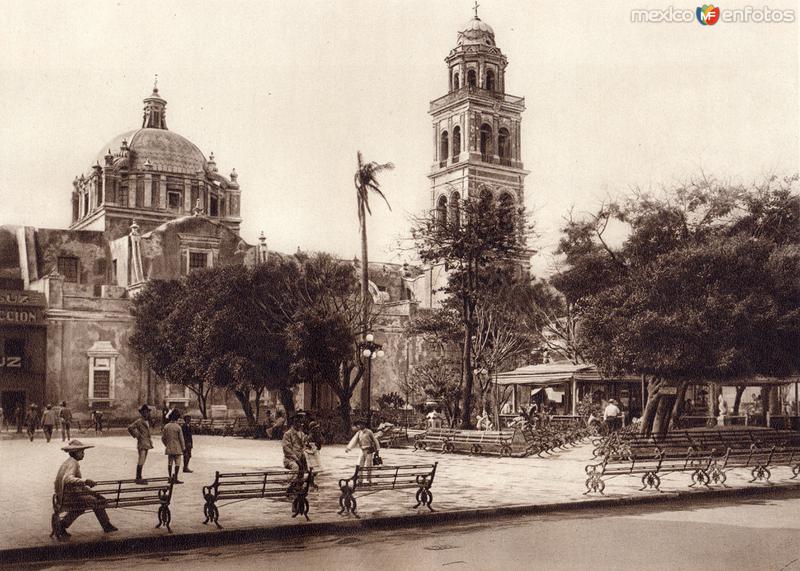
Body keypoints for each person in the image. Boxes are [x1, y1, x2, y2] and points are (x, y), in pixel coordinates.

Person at [53, 439, 117, 540]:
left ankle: (62, 525)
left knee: (82, 506)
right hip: (68, 497)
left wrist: (92, 492)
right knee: (96, 502)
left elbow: (76, 484)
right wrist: (86, 480)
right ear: (75, 452)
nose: (83, 454)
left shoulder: (68, 462)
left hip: (63, 495)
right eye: (81, 452)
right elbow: (68, 478)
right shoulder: (73, 463)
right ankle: (106, 525)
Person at [127, 405, 153, 484]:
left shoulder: (147, 421)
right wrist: (137, 435)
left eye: (147, 412)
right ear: (141, 413)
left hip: (147, 442)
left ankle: (139, 476)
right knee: (141, 459)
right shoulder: (139, 421)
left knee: (143, 459)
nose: (146, 414)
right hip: (142, 443)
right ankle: (138, 477)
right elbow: (130, 427)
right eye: (144, 412)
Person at [161, 410, 186, 484]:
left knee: (170, 462)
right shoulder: (178, 427)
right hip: (177, 448)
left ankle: (169, 477)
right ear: (177, 418)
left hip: (169, 447)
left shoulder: (166, 426)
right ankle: (175, 478)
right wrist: (183, 448)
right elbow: (181, 439)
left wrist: (167, 444)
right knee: (177, 463)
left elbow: (163, 438)